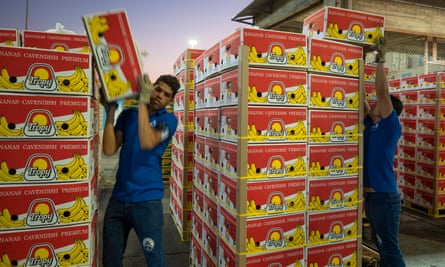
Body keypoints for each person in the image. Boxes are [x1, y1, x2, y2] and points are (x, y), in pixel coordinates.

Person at [101, 74, 180, 267]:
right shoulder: (128, 115)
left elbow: (147, 141)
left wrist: (143, 104)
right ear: (151, 87)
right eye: (158, 89)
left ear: (170, 100)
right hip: (119, 198)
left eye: (166, 94)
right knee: (111, 260)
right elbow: (109, 149)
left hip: (147, 200)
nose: (160, 95)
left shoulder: (168, 120)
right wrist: (110, 112)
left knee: (155, 260)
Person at [363, 38, 406, 267]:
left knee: (389, 246)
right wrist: (356, 65)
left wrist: (379, 59)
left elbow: (381, 92)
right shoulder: (372, 125)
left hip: (385, 198)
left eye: (380, 102)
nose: (374, 103)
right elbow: (362, 101)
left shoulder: (390, 126)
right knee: (380, 244)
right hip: (371, 197)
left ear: (389, 109)